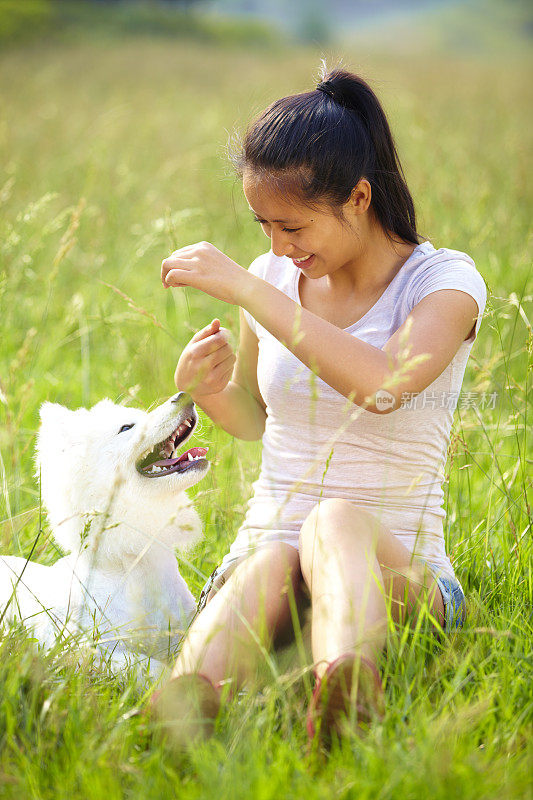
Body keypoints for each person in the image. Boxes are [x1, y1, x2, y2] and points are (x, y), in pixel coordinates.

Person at [153, 66, 487, 747]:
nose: (277, 246)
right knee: (275, 559)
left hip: (399, 580)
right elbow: (256, 418)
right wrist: (211, 388)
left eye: (292, 225)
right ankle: (181, 717)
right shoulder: (274, 277)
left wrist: (251, 292)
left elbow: (384, 385)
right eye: (263, 226)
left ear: (358, 197)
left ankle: (344, 686)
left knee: (334, 522)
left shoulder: (443, 283)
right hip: (265, 570)